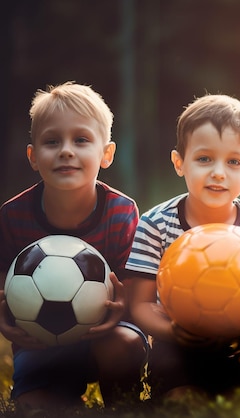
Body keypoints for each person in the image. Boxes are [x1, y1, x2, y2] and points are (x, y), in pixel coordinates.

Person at [0, 82, 149, 411]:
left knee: (122, 344)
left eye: (81, 140)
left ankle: (122, 397)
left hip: (110, 332)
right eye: (52, 141)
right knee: (36, 408)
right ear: (33, 156)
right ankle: (63, 394)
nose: (66, 150)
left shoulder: (121, 212)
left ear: (106, 154)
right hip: (40, 340)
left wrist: (122, 305)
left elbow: (135, 286)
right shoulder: (13, 215)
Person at [125, 94, 240, 403]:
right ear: (180, 163)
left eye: (233, 161)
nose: (219, 172)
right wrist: (173, 332)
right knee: (182, 402)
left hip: (238, 349)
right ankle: (173, 386)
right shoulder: (155, 224)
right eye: (204, 159)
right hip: (175, 348)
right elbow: (138, 305)